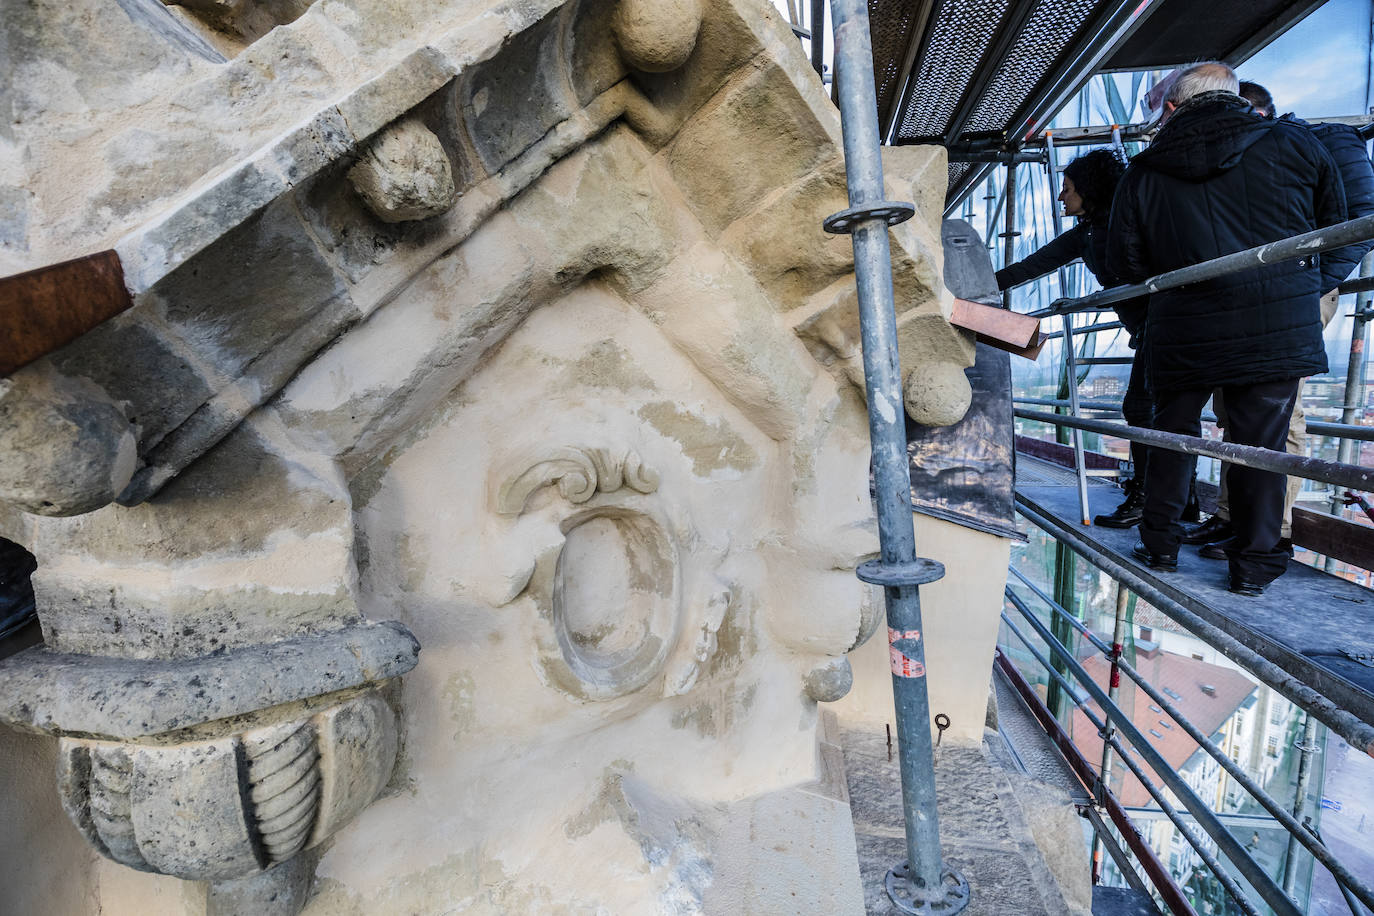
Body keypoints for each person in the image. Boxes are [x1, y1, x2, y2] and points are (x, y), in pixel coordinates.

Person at [1107, 61, 1346, 596]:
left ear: (1175, 106)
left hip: (1184, 323)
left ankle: (1161, 543)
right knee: (1261, 447)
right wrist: (1300, 291)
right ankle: (1253, 566)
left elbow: (1126, 259)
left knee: (1172, 435)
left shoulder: (1145, 169)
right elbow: (1335, 225)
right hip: (1275, 323)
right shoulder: (1296, 144)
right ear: (1235, 97)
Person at [1190, 79, 1374, 558]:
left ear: (1253, 113)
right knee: (1237, 409)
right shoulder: (1256, 153)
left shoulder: (1325, 140)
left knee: (1278, 411)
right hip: (1254, 296)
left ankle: (1273, 529)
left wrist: (1309, 284)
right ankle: (1235, 517)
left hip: (1295, 292)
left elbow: (1365, 218)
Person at [996, 150, 1156, 528]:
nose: (1060, 197)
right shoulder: (1088, 232)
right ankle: (1169, 498)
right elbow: (1032, 265)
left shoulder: (1127, 222)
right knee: (1154, 413)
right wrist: (969, 284)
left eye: (1067, 189)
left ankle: (1149, 497)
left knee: (1143, 410)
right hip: (1150, 328)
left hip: (1165, 325)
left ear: (1089, 189)